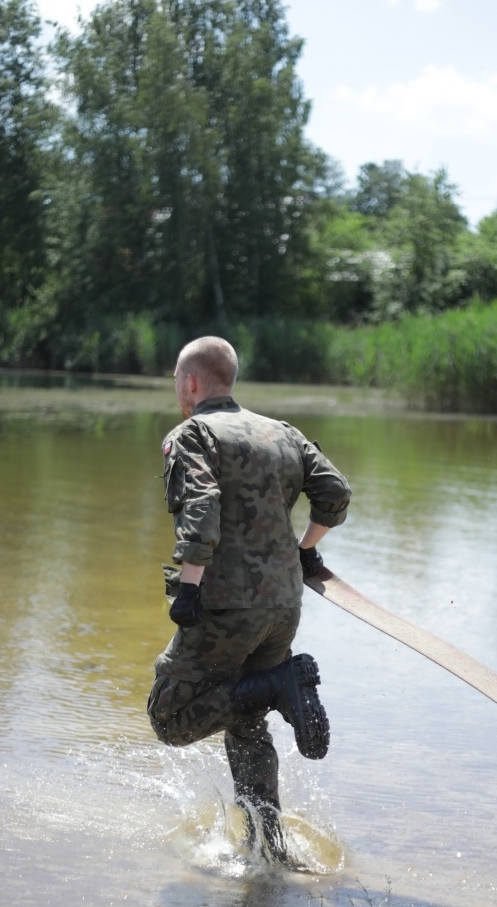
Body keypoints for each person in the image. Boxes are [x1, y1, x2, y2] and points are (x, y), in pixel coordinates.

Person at [147, 335, 351, 864]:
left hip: (225, 602)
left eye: (177, 381)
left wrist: (189, 585)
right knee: (245, 719)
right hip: (283, 606)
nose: (178, 391)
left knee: (169, 718)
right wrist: (305, 551)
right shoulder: (282, 433)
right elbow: (335, 493)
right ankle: (269, 852)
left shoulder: (191, 433)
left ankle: (278, 686)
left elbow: (202, 504)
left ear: (191, 383)